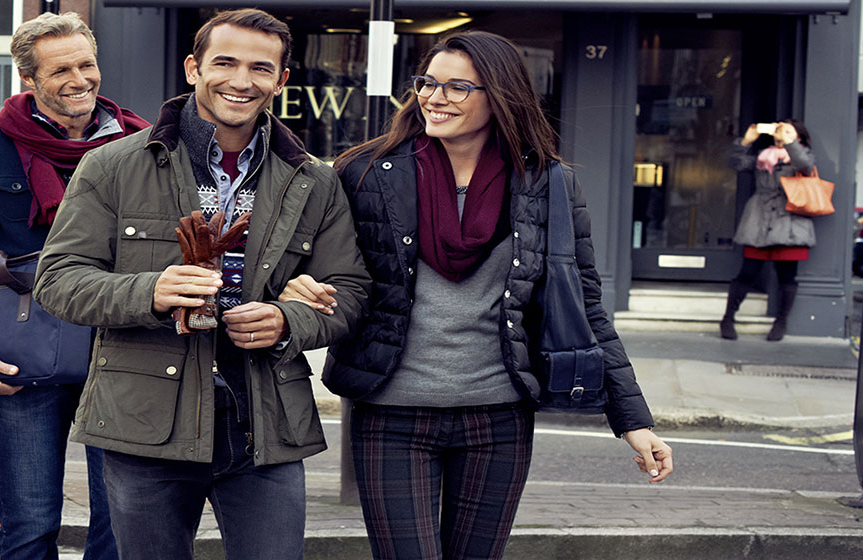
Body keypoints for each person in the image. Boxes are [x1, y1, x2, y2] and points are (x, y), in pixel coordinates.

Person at [286, 31, 675, 560]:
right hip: (391, 412)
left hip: (499, 416)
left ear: (500, 95)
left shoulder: (547, 182)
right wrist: (300, 284)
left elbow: (583, 304)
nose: (434, 97)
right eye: (427, 83)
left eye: (456, 87)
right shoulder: (365, 172)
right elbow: (318, 265)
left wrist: (634, 421)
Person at [32, 9, 371, 559]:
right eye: (225, 62)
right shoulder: (111, 165)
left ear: (281, 81)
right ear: (193, 68)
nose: (241, 81)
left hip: (266, 420)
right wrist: (151, 292)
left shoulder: (315, 180)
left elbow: (350, 291)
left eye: (261, 68)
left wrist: (291, 320)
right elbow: (59, 281)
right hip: (144, 422)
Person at [0, 11, 145, 560]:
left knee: (120, 524)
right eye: (60, 70)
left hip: (125, 352)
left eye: (86, 64)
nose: (79, 79)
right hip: (21, 359)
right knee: (29, 525)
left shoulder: (144, 144)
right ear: (28, 79)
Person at [722, 121, 816, 341]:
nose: (780, 135)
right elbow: (735, 163)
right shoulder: (763, 156)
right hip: (759, 220)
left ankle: (781, 321)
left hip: (790, 221)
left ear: (799, 138)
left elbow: (804, 165)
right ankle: (727, 319)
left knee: (787, 276)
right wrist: (747, 140)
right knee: (747, 272)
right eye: (778, 131)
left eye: (788, 131)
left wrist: (789, 142)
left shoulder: (803, 154)